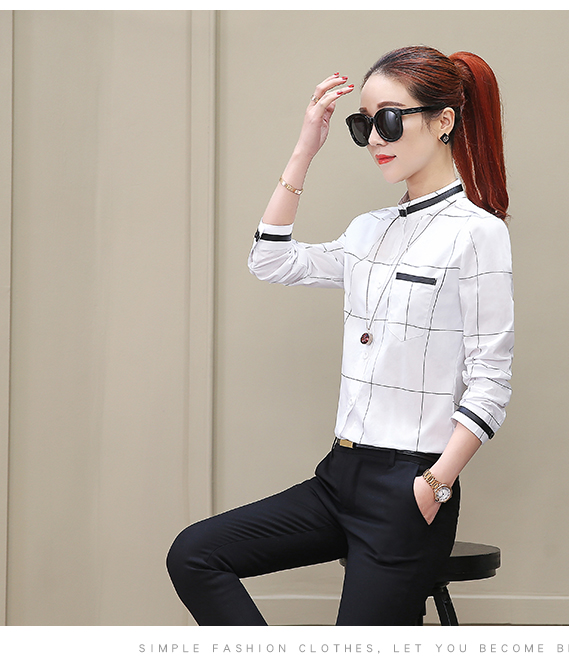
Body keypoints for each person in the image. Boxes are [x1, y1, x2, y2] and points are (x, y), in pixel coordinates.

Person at [167, 45, 514, 626]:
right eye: (363, 124)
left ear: (443, 121)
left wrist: (434, 482)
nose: (375, 139)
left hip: (409, 487)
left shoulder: (476, 233)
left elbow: (491, 379)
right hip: (339, 476)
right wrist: (306, 147)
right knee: (194, 555)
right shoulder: (367, 231)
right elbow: (270, 261)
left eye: (388, 119)